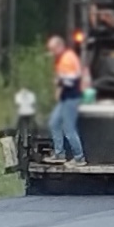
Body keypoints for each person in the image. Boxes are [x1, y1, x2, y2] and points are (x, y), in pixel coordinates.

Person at [45, 33, 87, 164]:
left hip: (71, 97)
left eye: (52, 49)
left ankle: (79, 157)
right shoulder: (62, 58)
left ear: (59, 46)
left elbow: (72, 80)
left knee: (69, 128)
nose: (51, 52)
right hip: (65, 97)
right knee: (54, 122)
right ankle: (59, 154)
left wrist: (59, 81)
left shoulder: (67, 59)